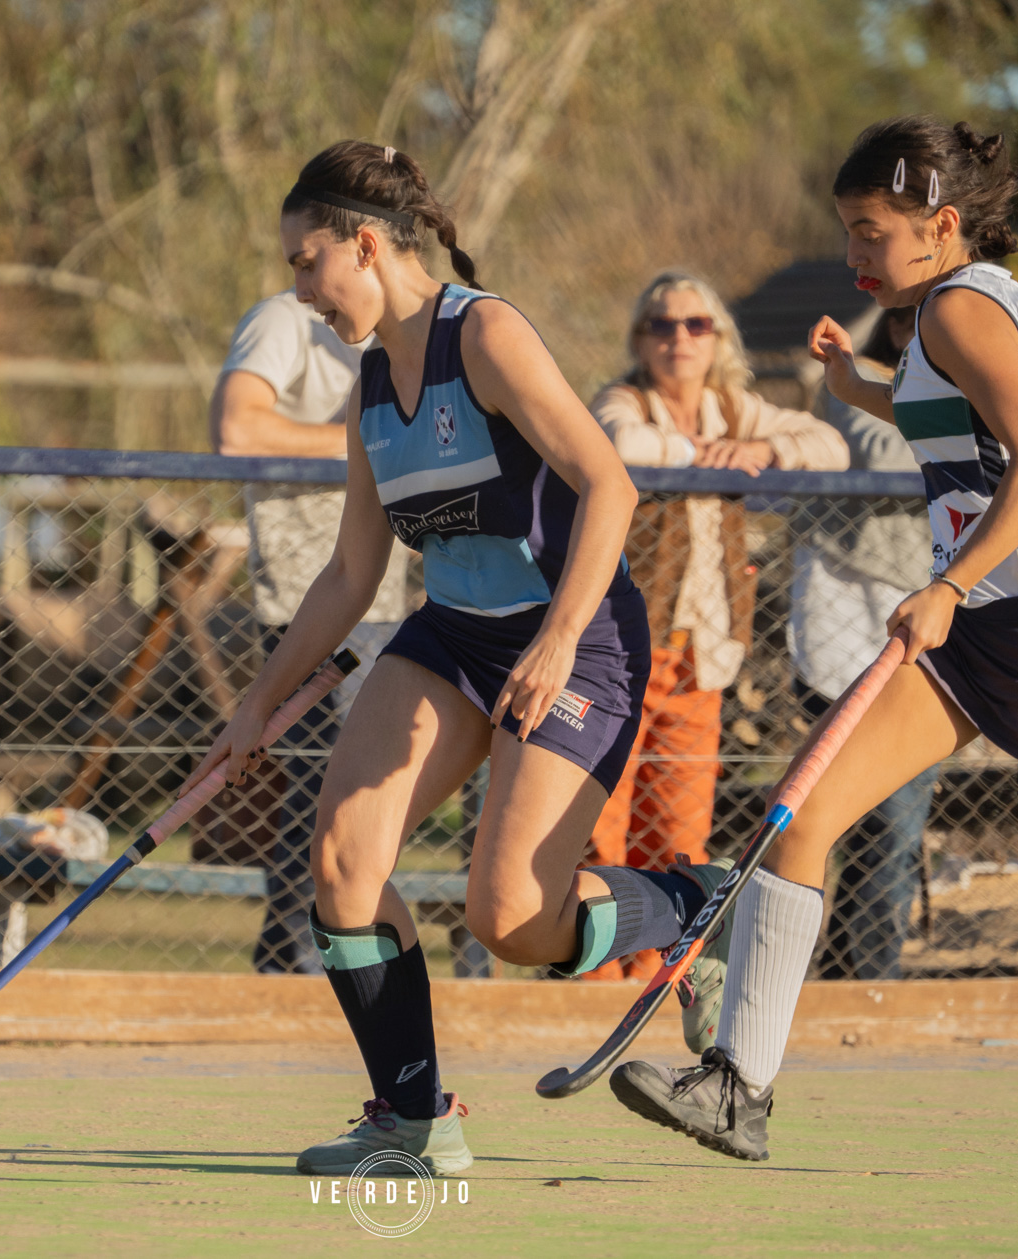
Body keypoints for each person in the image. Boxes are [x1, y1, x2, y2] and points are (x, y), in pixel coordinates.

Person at [610, 116, 1018, 1162]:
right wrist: (860, 388)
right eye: (846, 228)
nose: (853, 252)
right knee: (804, 813)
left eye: (870, 231)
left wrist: (950, 582)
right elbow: (960, 422)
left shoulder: (964, 308)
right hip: (972, 630)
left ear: (942, 225)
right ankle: (737, 1085)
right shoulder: (942, 313)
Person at [180, 140, 729, 1176]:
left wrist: (558, 639)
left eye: (307, 262)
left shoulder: (485, 334)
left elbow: (610, 487)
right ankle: (414, 1116)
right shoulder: (369, 384)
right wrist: (256, 702)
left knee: (511, 917)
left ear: (366, 245)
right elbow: (352, 574)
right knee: (343, 866)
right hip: (454, 635)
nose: (300, 290)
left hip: (576, 636)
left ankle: (686, 905)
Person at [585, 272, 846, 1035]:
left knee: (676, 830)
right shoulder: (625, 400)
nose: (680, 338)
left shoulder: (737, 407)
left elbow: (830, 446)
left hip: (704, 655)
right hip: (620, 650)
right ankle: (593, 982)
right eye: (663, 325)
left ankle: (656, 981)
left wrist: (758, 447)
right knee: (599, 824)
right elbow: (618, 443)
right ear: (641, 338)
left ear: (719, 338)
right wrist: (703, 456)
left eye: (697, 324)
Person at [209, 287, 410, 974]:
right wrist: (372, 440)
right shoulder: (283, 319)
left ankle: (323, 950)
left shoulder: (402, 333)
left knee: (366, 787)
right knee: (322, 782)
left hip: (387, 597)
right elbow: (237, 429)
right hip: (308, 595)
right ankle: (294, 954)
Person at [788, 305, 939, 981]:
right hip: (846, 621)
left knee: (894, 820)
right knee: (842, 816)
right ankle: (824, 975)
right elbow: (881, 452)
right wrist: (978, 436)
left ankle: (859, 978)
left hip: (931, 623)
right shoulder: (858, 379)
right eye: (913, 320)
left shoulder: (975, 389)